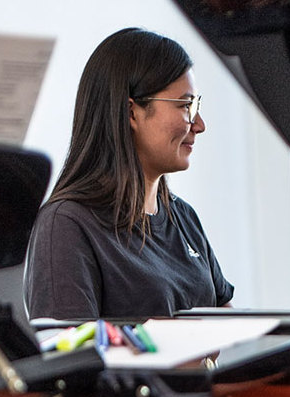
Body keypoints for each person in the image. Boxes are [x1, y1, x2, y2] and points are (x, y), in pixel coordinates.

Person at [24, 28, 234, 321]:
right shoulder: (66, 225)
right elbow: (72, 359)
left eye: (196, 106)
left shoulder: (183, 216)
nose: (199, 124)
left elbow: (231, 328)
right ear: (131, 113)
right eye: (186, 106)